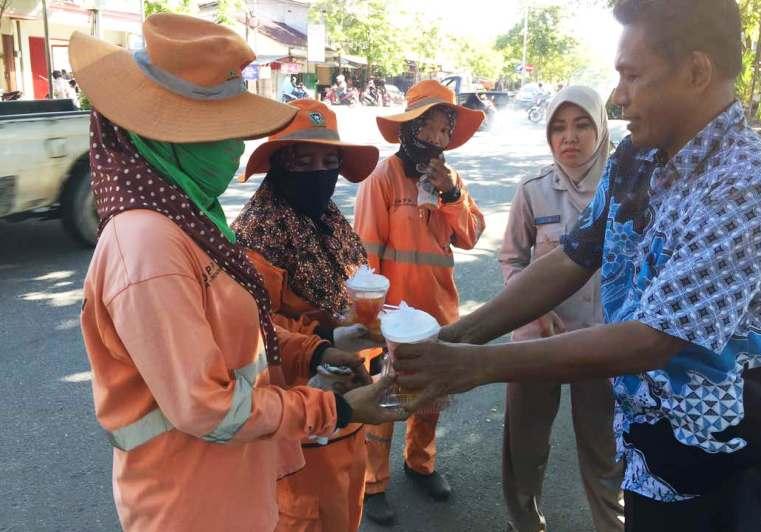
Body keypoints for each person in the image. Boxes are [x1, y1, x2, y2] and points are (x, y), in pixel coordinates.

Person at [394, 2, 761, 531]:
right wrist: (456, 337)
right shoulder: (636, 160)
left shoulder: (751, 183)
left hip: (713, 460)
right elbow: (572, 256)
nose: (618, 97)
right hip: (645, 437)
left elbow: (654, 337)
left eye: (631, 75)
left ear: (697, 72)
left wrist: (474, 367)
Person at [73, 14, 405, 532]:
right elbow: (210, 408)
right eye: (223, 130)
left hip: (235, 483)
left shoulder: (187, 222)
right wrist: (334, 410)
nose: (234, 149)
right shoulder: (148, 244)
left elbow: (236, 340)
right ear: (167, 137)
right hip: (192, 503)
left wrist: (316, 348)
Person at [232, 99, 382, 532]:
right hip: (299, 412)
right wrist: (324, 340)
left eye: (329, 160)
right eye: (305, 161)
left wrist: (372, 339)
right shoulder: (258, 235)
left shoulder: (329, 217)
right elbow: (256, 329)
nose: (320, 172)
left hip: (349, 397)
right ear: (280, 164)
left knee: (346, 501)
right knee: (303, 514)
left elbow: (354, 288)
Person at [355, 79, 486, 525]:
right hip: (393, 320)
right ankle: (372, 483)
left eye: (443, 130)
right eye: (427, 128)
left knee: (429, 399)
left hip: (437, 314)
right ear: (408, 129)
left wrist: (451, 195)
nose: (436, 139)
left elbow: (470, 235)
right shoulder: (383, 180)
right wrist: (371, 326)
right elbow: (366, 261)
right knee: (384, 404)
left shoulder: (451, 181)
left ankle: (420, 464)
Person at [499, 85, 623, 532]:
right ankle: (524, 522)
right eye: (558, 128)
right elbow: (511, 259)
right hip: (537, 341)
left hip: (603, 344)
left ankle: (612, 523)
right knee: (524, 448)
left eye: (582, 125)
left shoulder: (625, 189)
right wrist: (532, 309)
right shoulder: (533, 191)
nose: (569, 137)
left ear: (601, 128)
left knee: (605, 451)